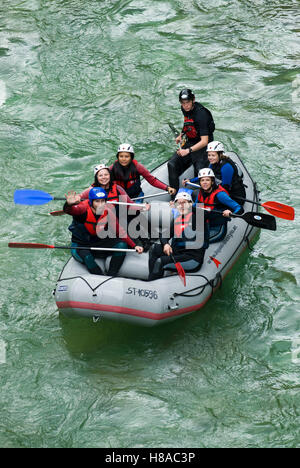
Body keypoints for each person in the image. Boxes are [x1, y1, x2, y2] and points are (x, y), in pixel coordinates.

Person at [63, 187, 143, 276]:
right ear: (91, 201)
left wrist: (134, 245)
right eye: (97, 201)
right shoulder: (82, 209)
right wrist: (68, 204)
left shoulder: (108, 210)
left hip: (99, 241)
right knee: (88, 258)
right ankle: (99, 276)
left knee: (122, 245)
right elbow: (70, 210)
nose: (101, 204)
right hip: (81, 244)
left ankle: (111, 274)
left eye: (102, 201)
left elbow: (119, 230)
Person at [148, 191, 208, 281]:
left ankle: (151, 283)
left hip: (192, 259)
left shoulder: (197, 217)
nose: (181, 206)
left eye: (184, 203)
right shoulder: (178, 219)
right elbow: (164, 235)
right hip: (178, 252)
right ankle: (153, 275)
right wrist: (166, 244)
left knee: (160, 261)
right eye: (178, 203)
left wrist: (191, 207)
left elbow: (204, 213)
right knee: (154, 248)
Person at [167, 89, 215, 196]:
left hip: (203, 146)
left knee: (200, 173)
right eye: (183, 103)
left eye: (188, 102)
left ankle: (198, 205)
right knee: (172, 164)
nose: (185, 106)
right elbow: (188, 122)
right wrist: (182, 134)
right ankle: (175, 197)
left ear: (193, 100)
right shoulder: (185, 109)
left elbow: (204, 141)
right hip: (191, 142)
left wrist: (188, 151)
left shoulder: (201, 115)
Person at [110, 143, 176, 200]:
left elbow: (152, 180)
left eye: (127, 156)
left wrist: (167, 188)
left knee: (134, 213)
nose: (123, 159)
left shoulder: (138, 167)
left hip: (136, 196)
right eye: (121, 156)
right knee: (122, 213)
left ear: (131, 157)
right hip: (120, 197)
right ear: (118, 157)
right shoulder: (112, 168)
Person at [195, 168, 244, 238]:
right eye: (202, 180)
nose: (205, 182)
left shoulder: (220, 195)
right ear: (200, 182)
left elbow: (239, 208)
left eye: (207, 180)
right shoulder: (201, 191)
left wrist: (231, 214)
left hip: (217, 228)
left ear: (212, 182)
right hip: (204, 223)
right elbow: (195, 206)